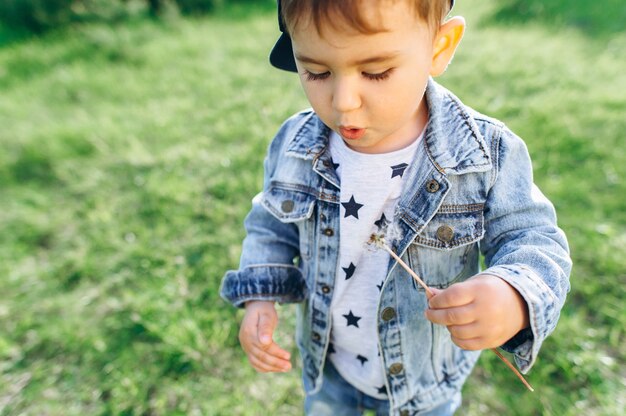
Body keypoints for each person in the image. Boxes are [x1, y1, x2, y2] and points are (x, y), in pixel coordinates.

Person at [220, 0, 572, 414]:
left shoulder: (483, 154)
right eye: (316, 72)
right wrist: (259, 298)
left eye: (375, 72)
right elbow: (270, 225)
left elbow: (534, 238)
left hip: (425, 384)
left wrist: (513, 292)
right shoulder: (298, 144)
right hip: (331, 369)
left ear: (440, 47)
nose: (344, 101)